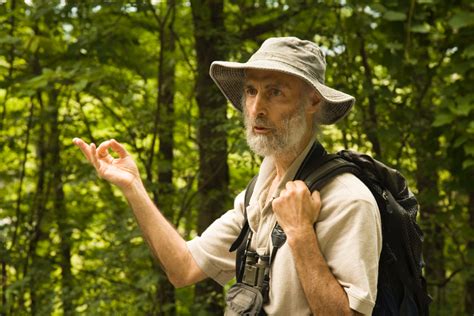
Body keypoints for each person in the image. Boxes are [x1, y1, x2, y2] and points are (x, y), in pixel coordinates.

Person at [74, 37, 382, 315]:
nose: (256, 108)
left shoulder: (348, 200)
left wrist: (301, 233)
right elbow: (183, 268)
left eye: (275, 92)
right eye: (251, 91)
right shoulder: (258, 196)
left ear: (313, 101)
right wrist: (133, 187)